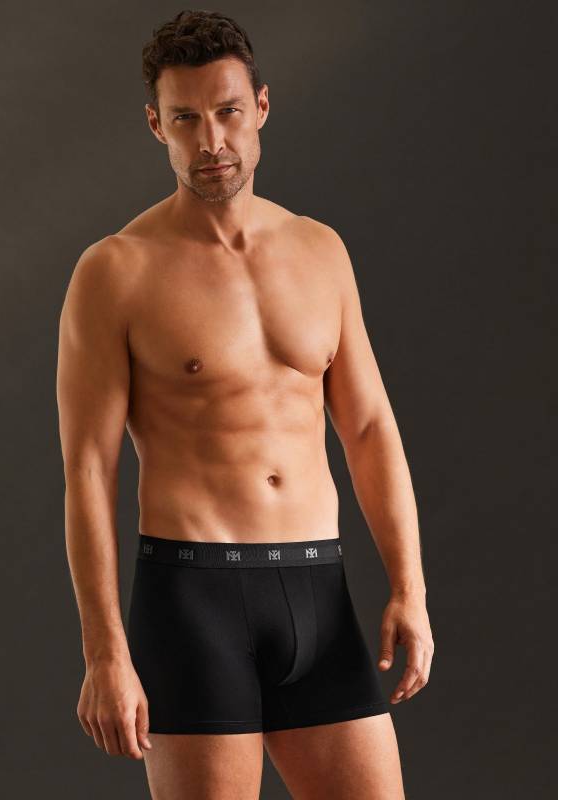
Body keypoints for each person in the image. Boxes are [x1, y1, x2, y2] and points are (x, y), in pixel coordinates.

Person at [56, 9, 433, 799]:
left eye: (227, 112)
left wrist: (410, 585)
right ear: (156, 125)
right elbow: (89, 470)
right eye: (186, 119)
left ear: (260, 106)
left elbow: (369, 427)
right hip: (192, 599)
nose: (211, 141)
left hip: (318, 590)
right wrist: (104, 652)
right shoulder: (116, 271)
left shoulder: (320, 250)